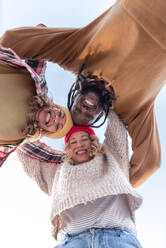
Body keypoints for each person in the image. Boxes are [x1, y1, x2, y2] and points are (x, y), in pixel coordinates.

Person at [1, 0, 165, 187]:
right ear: (101, 114)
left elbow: (13, 41)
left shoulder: (79, 54)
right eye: (89, 115)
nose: (85, 109)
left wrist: (31, 88)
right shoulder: (132, 108)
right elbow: (148, 163)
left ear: (74, 96)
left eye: (76, 110)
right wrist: (108, 191)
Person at [16, 109, 143, 248]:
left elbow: (116, 124)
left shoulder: (112, 158)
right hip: (72, 242)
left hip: (116, 238)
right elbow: (24, 149)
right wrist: (36, 125)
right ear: (68, 148)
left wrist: (100, 103)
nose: (79, 144)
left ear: (93, 141)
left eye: (84, 139)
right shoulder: (58, 173)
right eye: (73, 141)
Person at [0, 46, 73, 166]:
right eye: (60, 114)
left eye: (58, 126)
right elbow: (40, 46)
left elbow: (50, 156)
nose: (56, 119)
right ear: (55, 107)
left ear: (49, 132)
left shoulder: (22, 139)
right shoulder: (38, 88)